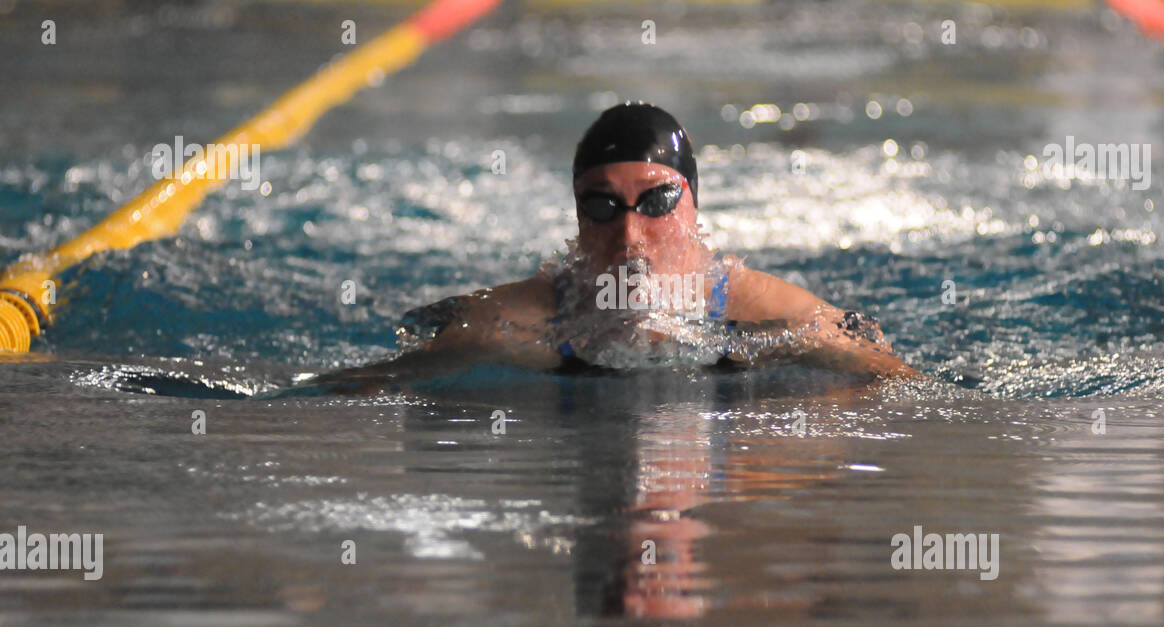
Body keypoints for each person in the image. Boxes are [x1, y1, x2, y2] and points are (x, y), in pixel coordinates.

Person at [315, 102, 920, 389]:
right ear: (577, 219)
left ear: (694, 205)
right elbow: (364, 386)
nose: (630, 236)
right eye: (602, 207)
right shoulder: (510, 325)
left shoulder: (770, 316)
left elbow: (901, 386)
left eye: (656, 202)